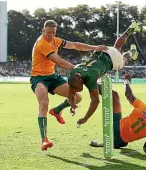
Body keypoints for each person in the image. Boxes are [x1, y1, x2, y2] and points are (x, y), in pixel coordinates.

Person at [30, 20, 108, 151]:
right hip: (38, 78)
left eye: (53, 33)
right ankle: (44, 140)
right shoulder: (42, 44)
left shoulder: (55, 40)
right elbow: (59, 62)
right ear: (42, 31)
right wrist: (78, 69)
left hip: (53, 76)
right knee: (43, 103)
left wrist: (94, 47)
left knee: (77, 98)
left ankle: (56, 110)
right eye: (48, 32)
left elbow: (74, 45)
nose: (51, 35)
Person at [65, 21, 141, 124]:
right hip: (102, 51)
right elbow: (71, 91)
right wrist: (73, 105)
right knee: (117, 46)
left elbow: (95, 101)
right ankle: (131, 28)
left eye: (79, 87)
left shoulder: (90, 78)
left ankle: (132, 52)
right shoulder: (75, 72)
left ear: (80, 79)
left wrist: (85, 118)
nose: (79, 89)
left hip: (112, 60)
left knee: (124, 60)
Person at [89, 72, 146, 154]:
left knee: (114, 95)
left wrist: (127, 81)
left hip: (115, 127)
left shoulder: (144, 108)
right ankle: (112, 142)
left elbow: (128, 95)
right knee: (125, 139)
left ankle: (90, 83)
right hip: (122, 142)